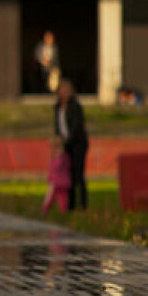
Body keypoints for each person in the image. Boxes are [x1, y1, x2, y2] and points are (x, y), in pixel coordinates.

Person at [54, 79, 89, 211]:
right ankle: (70, 204)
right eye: (63, 90)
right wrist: (58, 143)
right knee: (67, 175)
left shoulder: (75, 106)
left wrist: (68, 141)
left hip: (77, 144)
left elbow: (77, 126)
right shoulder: (58, 107)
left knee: (78, 174)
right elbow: (57, 126)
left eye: (68, 90)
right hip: (65, 144)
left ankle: (83, 204)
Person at [42, 136, 71, 214]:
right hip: (60, 181)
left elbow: (59, 166)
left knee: (60, 196)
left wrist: (59, 157)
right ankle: (48, 208)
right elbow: (52, 170)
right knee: (56, 196)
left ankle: (59, 209)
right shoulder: (55, 157)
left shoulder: (62, 157)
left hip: (58, 181)